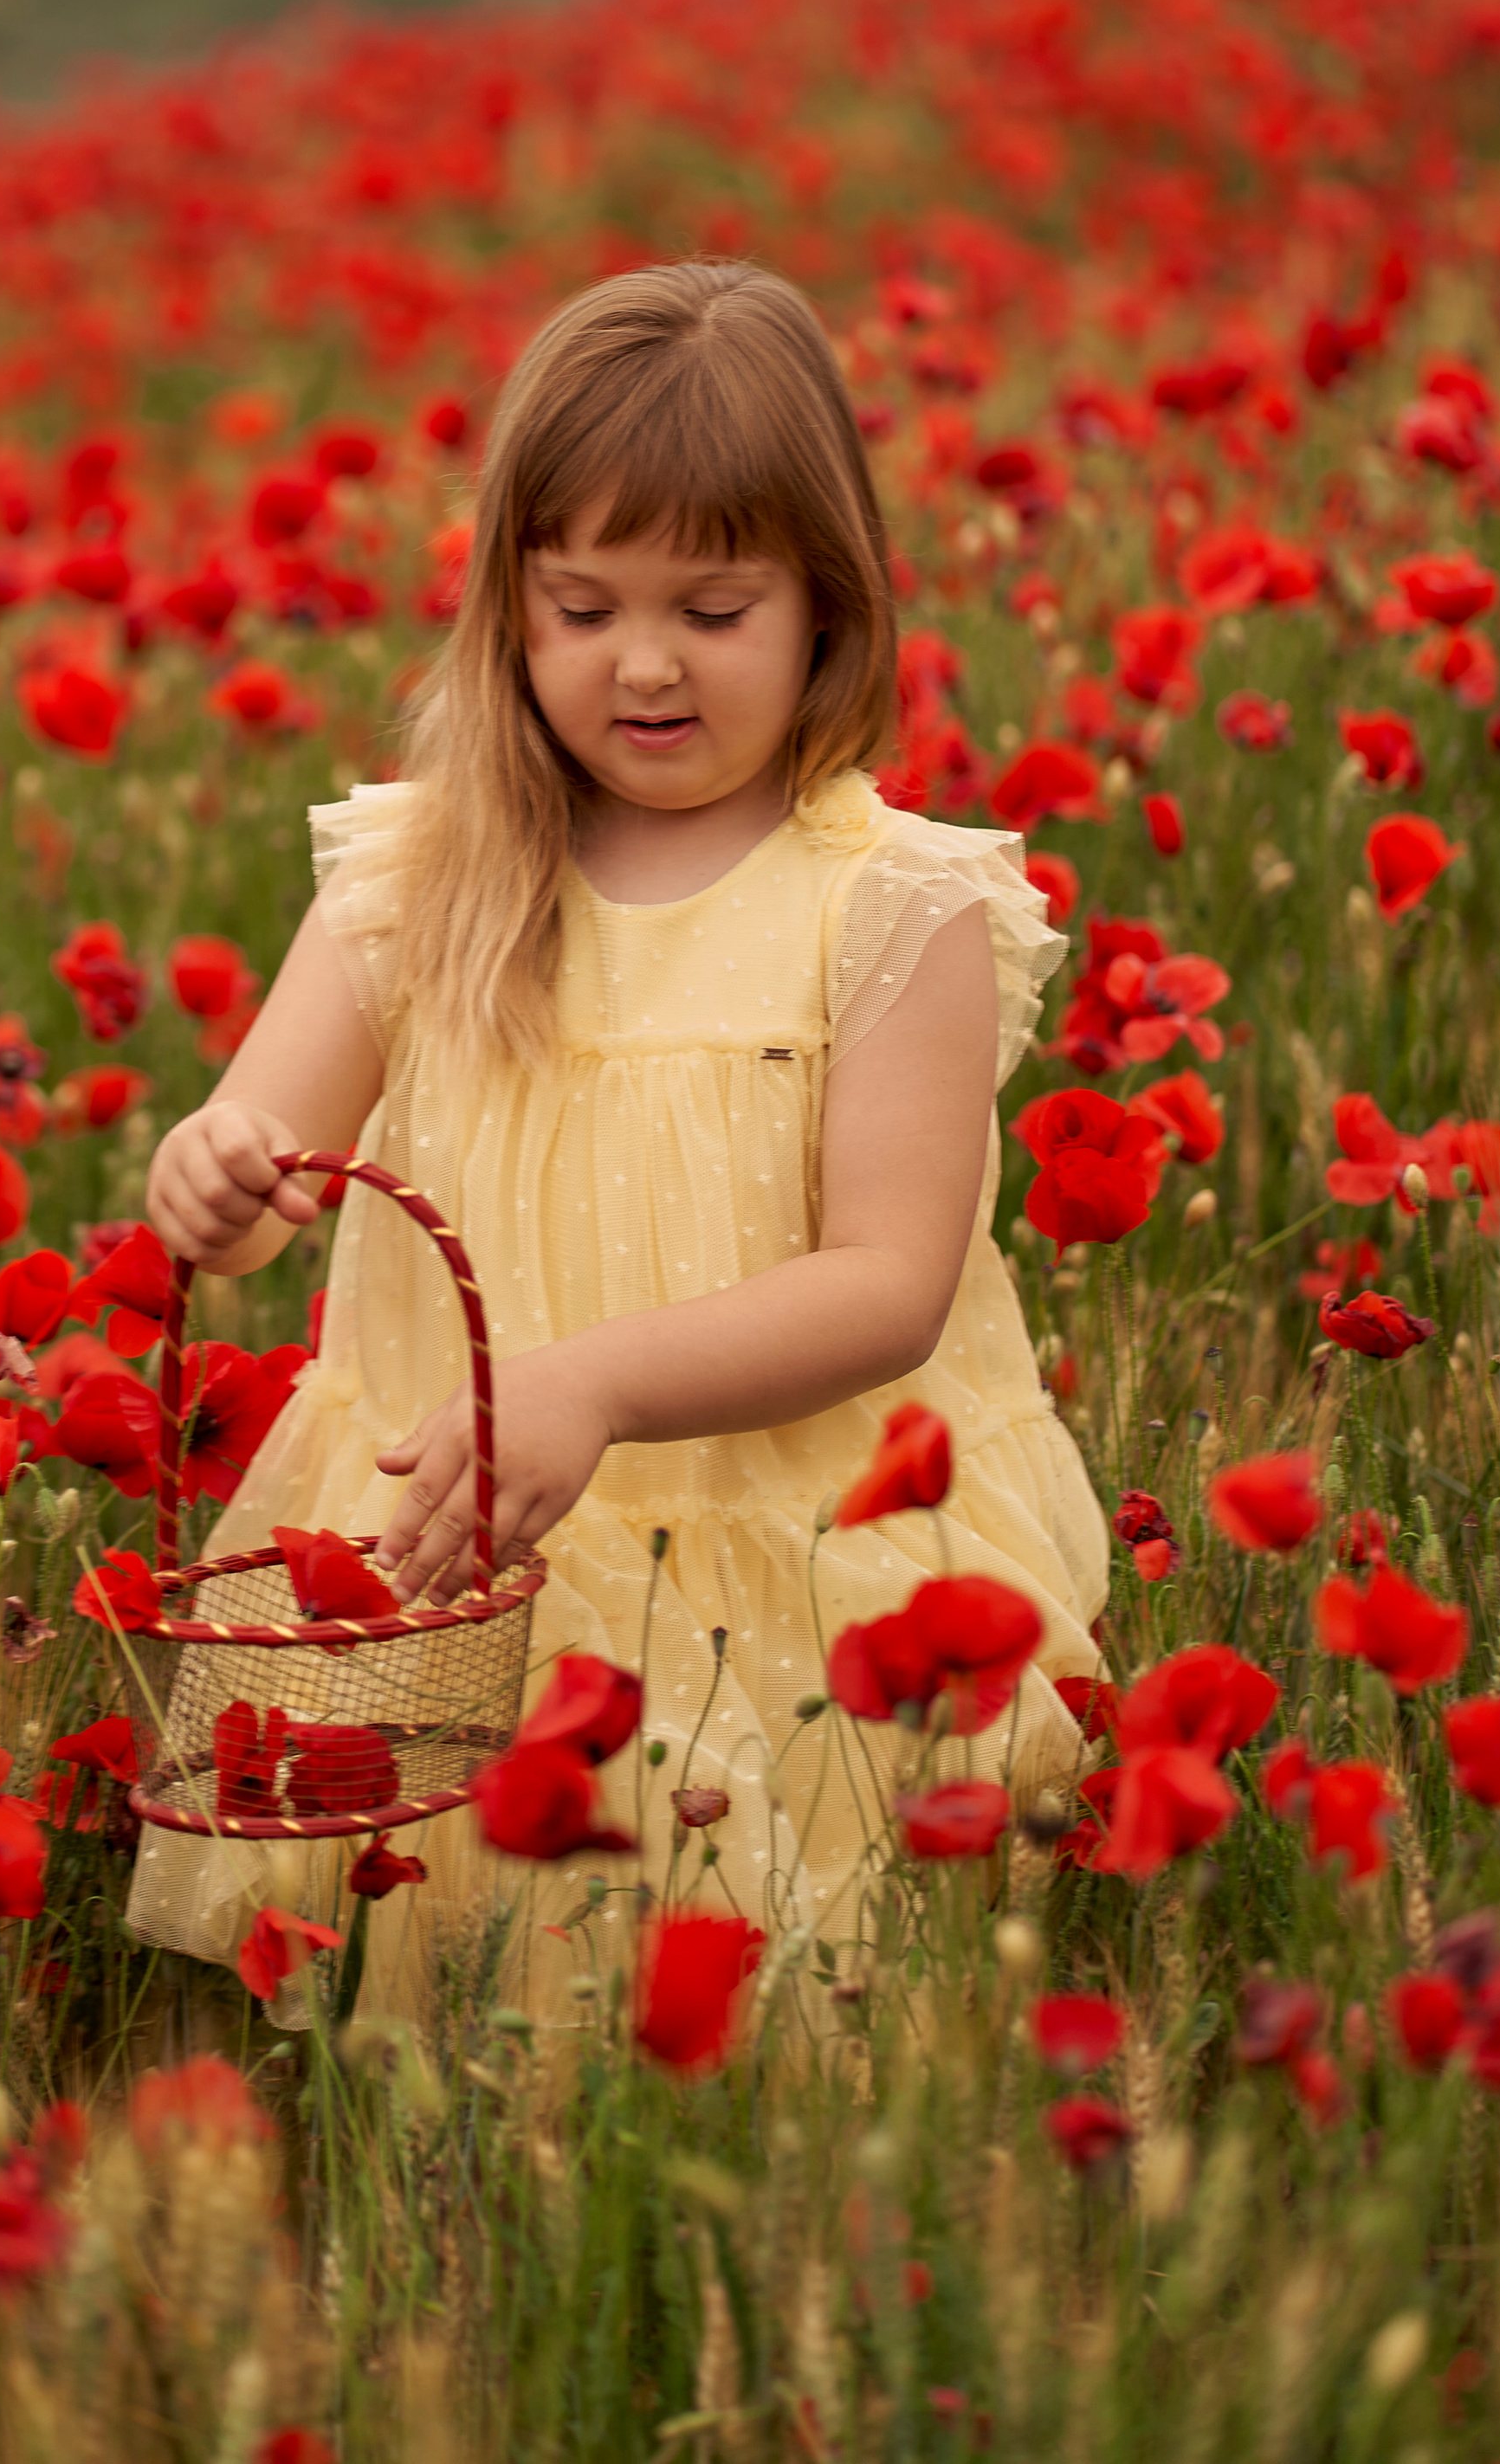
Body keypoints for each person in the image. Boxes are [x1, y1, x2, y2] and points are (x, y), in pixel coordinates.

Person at [126, 261, 1108, 2022]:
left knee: (766, 2003)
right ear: (505, 607)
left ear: (826, 607)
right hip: (459, 1553)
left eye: (710, 609)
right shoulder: (422, 880)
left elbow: (886, 1285)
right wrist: (208, 1171)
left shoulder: (891, 905)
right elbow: (266, 1158)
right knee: (464, 1995)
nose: (639, 663)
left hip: (784, 1556)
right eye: (579, 605)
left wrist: (588, 1388)